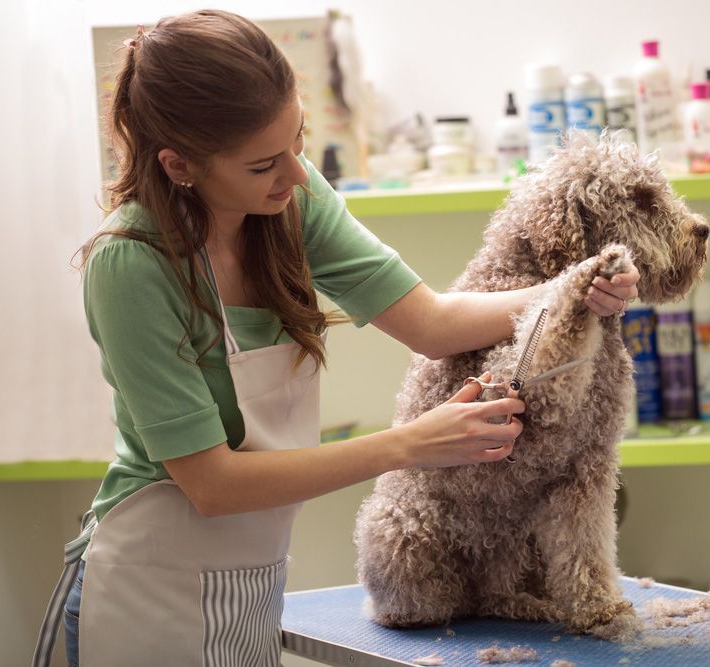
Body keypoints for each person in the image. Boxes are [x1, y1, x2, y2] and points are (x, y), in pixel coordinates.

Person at [33, 10, 639, 667]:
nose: (296, 176)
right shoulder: (130, 265)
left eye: (298, 141)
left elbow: (431, 322)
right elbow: (210, 483)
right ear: (179, 163)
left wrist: (572, 292)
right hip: (146, 590)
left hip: (254, 585)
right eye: (264, 162)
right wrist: (411, 443)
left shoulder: (288, 200)